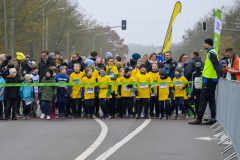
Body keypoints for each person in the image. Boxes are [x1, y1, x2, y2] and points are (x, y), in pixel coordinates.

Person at [189, 38, 220, 125]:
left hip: (209, 79)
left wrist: (219, 74)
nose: (204, 45)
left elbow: (216, 64)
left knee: (203, 99)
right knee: (211, 99)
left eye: (205, 43)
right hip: (210, 79)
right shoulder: (211, 52)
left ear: (209, 44)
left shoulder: (211, 53)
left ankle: (199, 119)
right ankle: (213, 118)